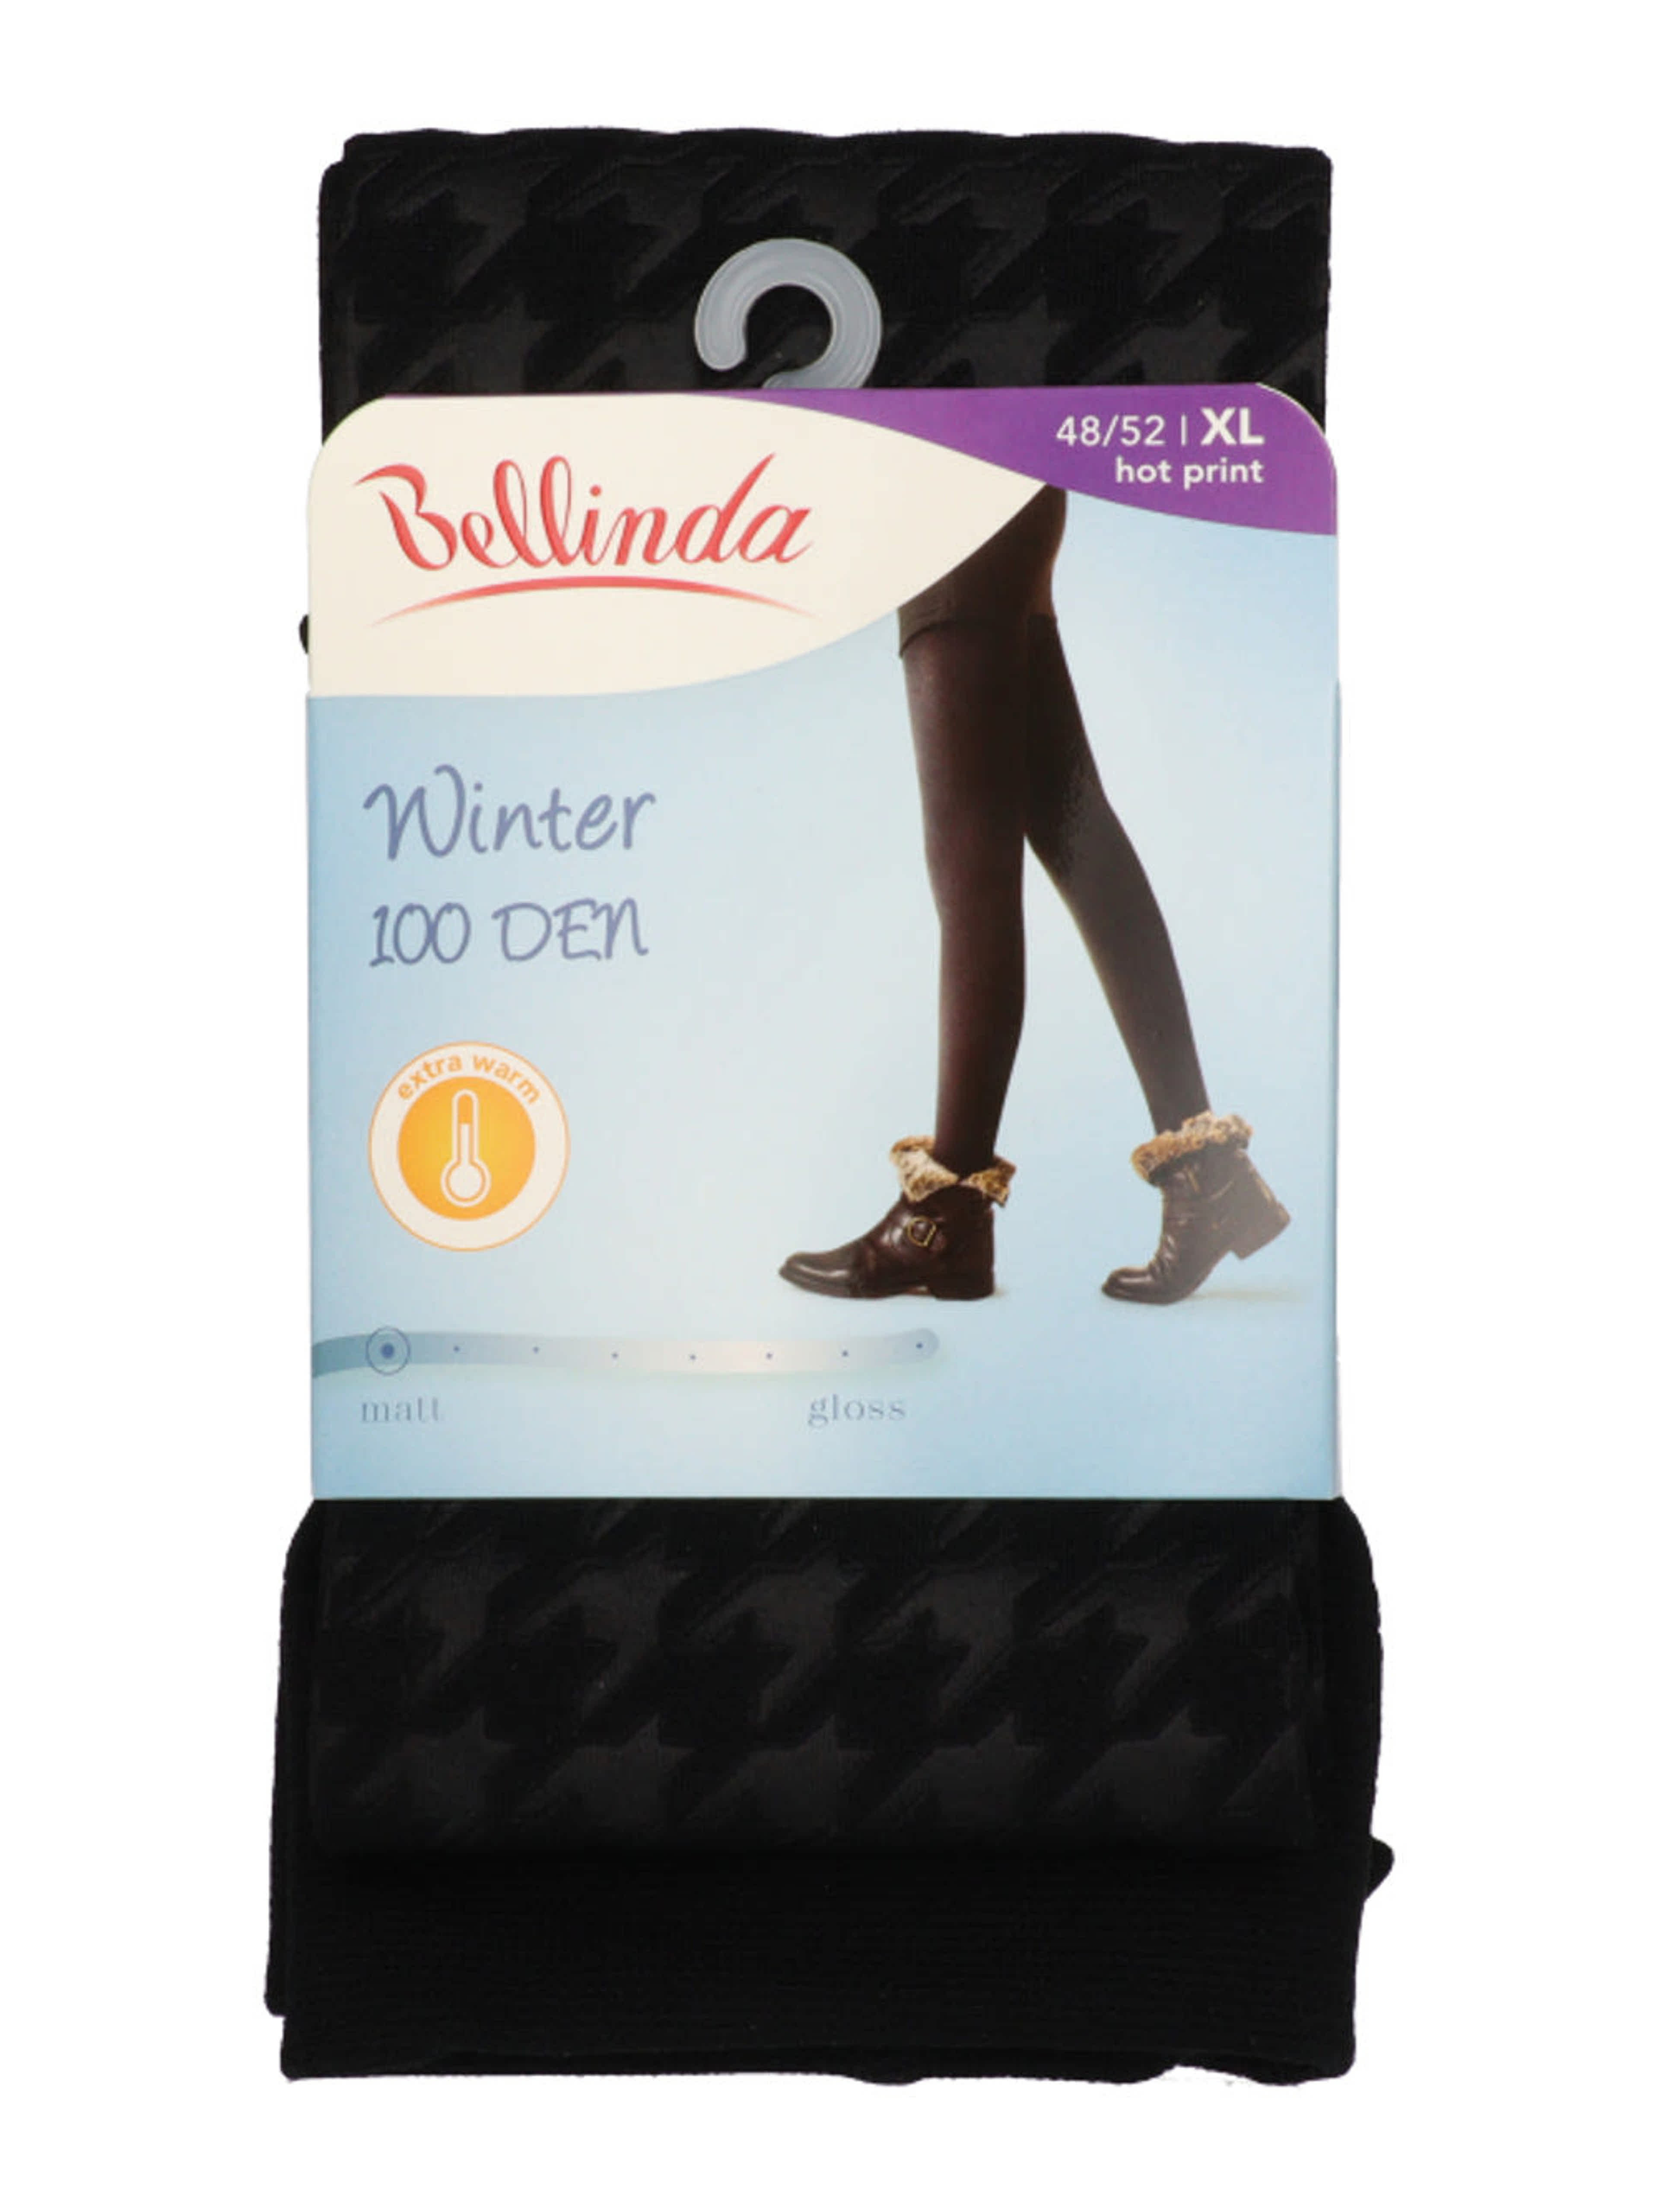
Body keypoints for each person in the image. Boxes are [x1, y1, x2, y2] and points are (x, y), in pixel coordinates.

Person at [779, 485, 1288, 1308]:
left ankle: (943, 1217)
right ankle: (1210, 1179)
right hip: (1006, 495)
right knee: (1073, 827)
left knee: (974, 862)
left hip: (946, 493)